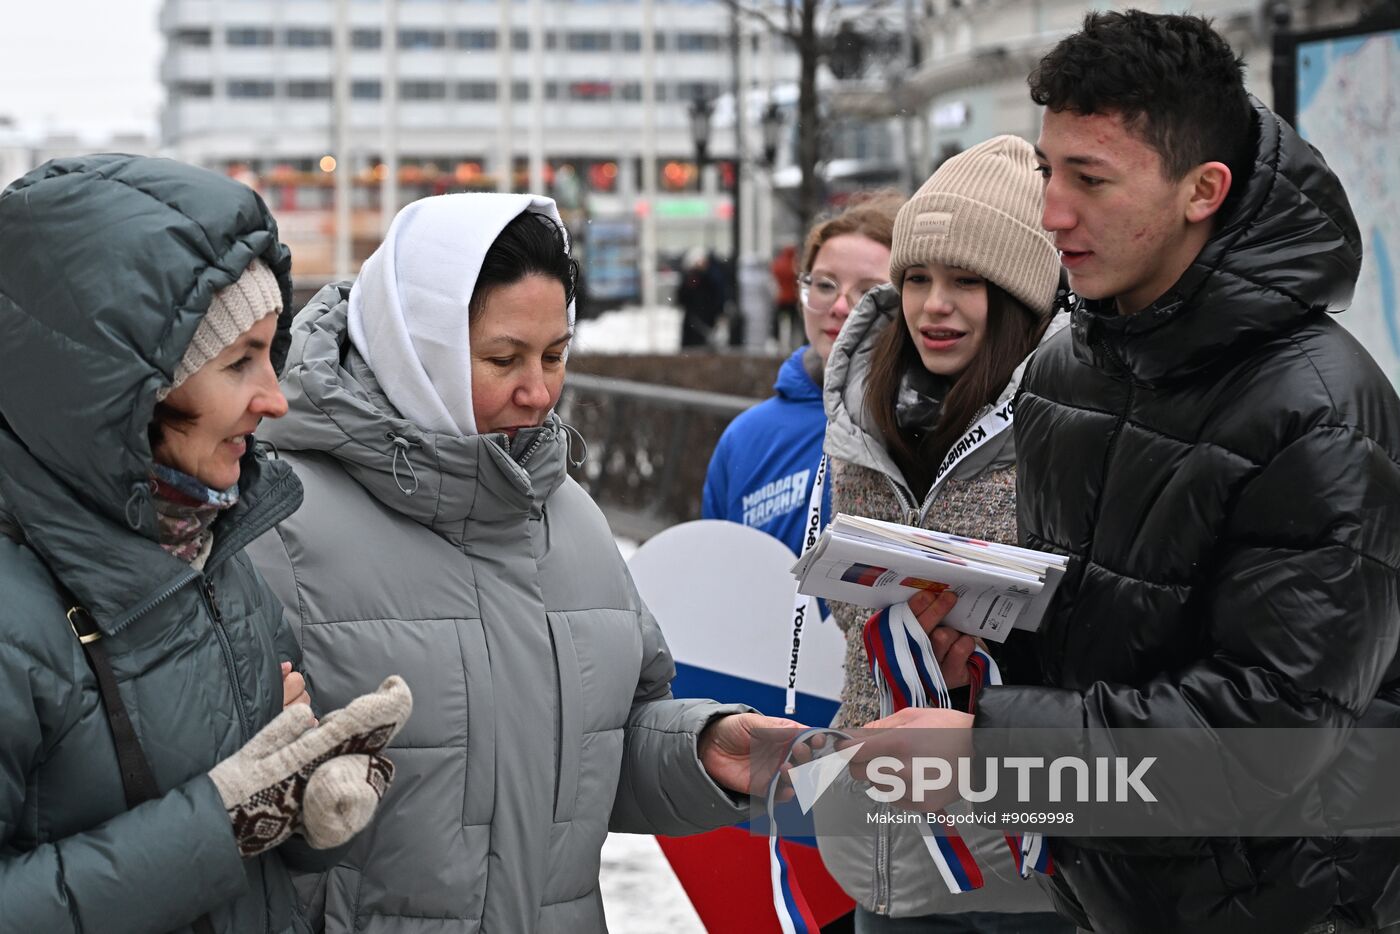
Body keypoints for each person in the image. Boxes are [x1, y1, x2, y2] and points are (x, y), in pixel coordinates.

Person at [849, 12, 1400, 934]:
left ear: (1202, 190)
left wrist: (993, 748)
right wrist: (985, 654)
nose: (1052, 211)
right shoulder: (1069, 363)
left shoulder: (1321, 411)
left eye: (1090, 180)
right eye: (1048, 171)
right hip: (1108, 890)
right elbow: (1104, 627)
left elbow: (1267, 740)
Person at [246, 192, 800, 932]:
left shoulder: (569, 513)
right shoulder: (275, 523)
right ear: (415, 351)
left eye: (556, 355)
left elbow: (594, 749)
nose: (538, 391)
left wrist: (699, 751)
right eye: (503, 358)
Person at [0, 155, 402, 933]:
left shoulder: (213, 556)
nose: (276, 399)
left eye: (271, 350)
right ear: (120, 391)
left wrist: (306, 809)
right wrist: (217, 823)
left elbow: (250, 835)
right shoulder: (16, 616)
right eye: (238, 362)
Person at [818, 137, 1071, 933]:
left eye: (967, 281)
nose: (934, 305)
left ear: (1022, 296)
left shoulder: (1072, 415)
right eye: (919, 278)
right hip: (880, 833)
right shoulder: (865, 408)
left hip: (1019, 845)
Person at [704, 193, 901, 554]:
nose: (841, 307)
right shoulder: (746, 439)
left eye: (869, 292)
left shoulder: (930, 431)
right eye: (825, 285)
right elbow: (719, 580)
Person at [677, 246, 724, 348]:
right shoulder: (691, 278)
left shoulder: (711, 277)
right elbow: (682, 297)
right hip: (693, 321)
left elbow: (717, 295)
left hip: (705, 320)